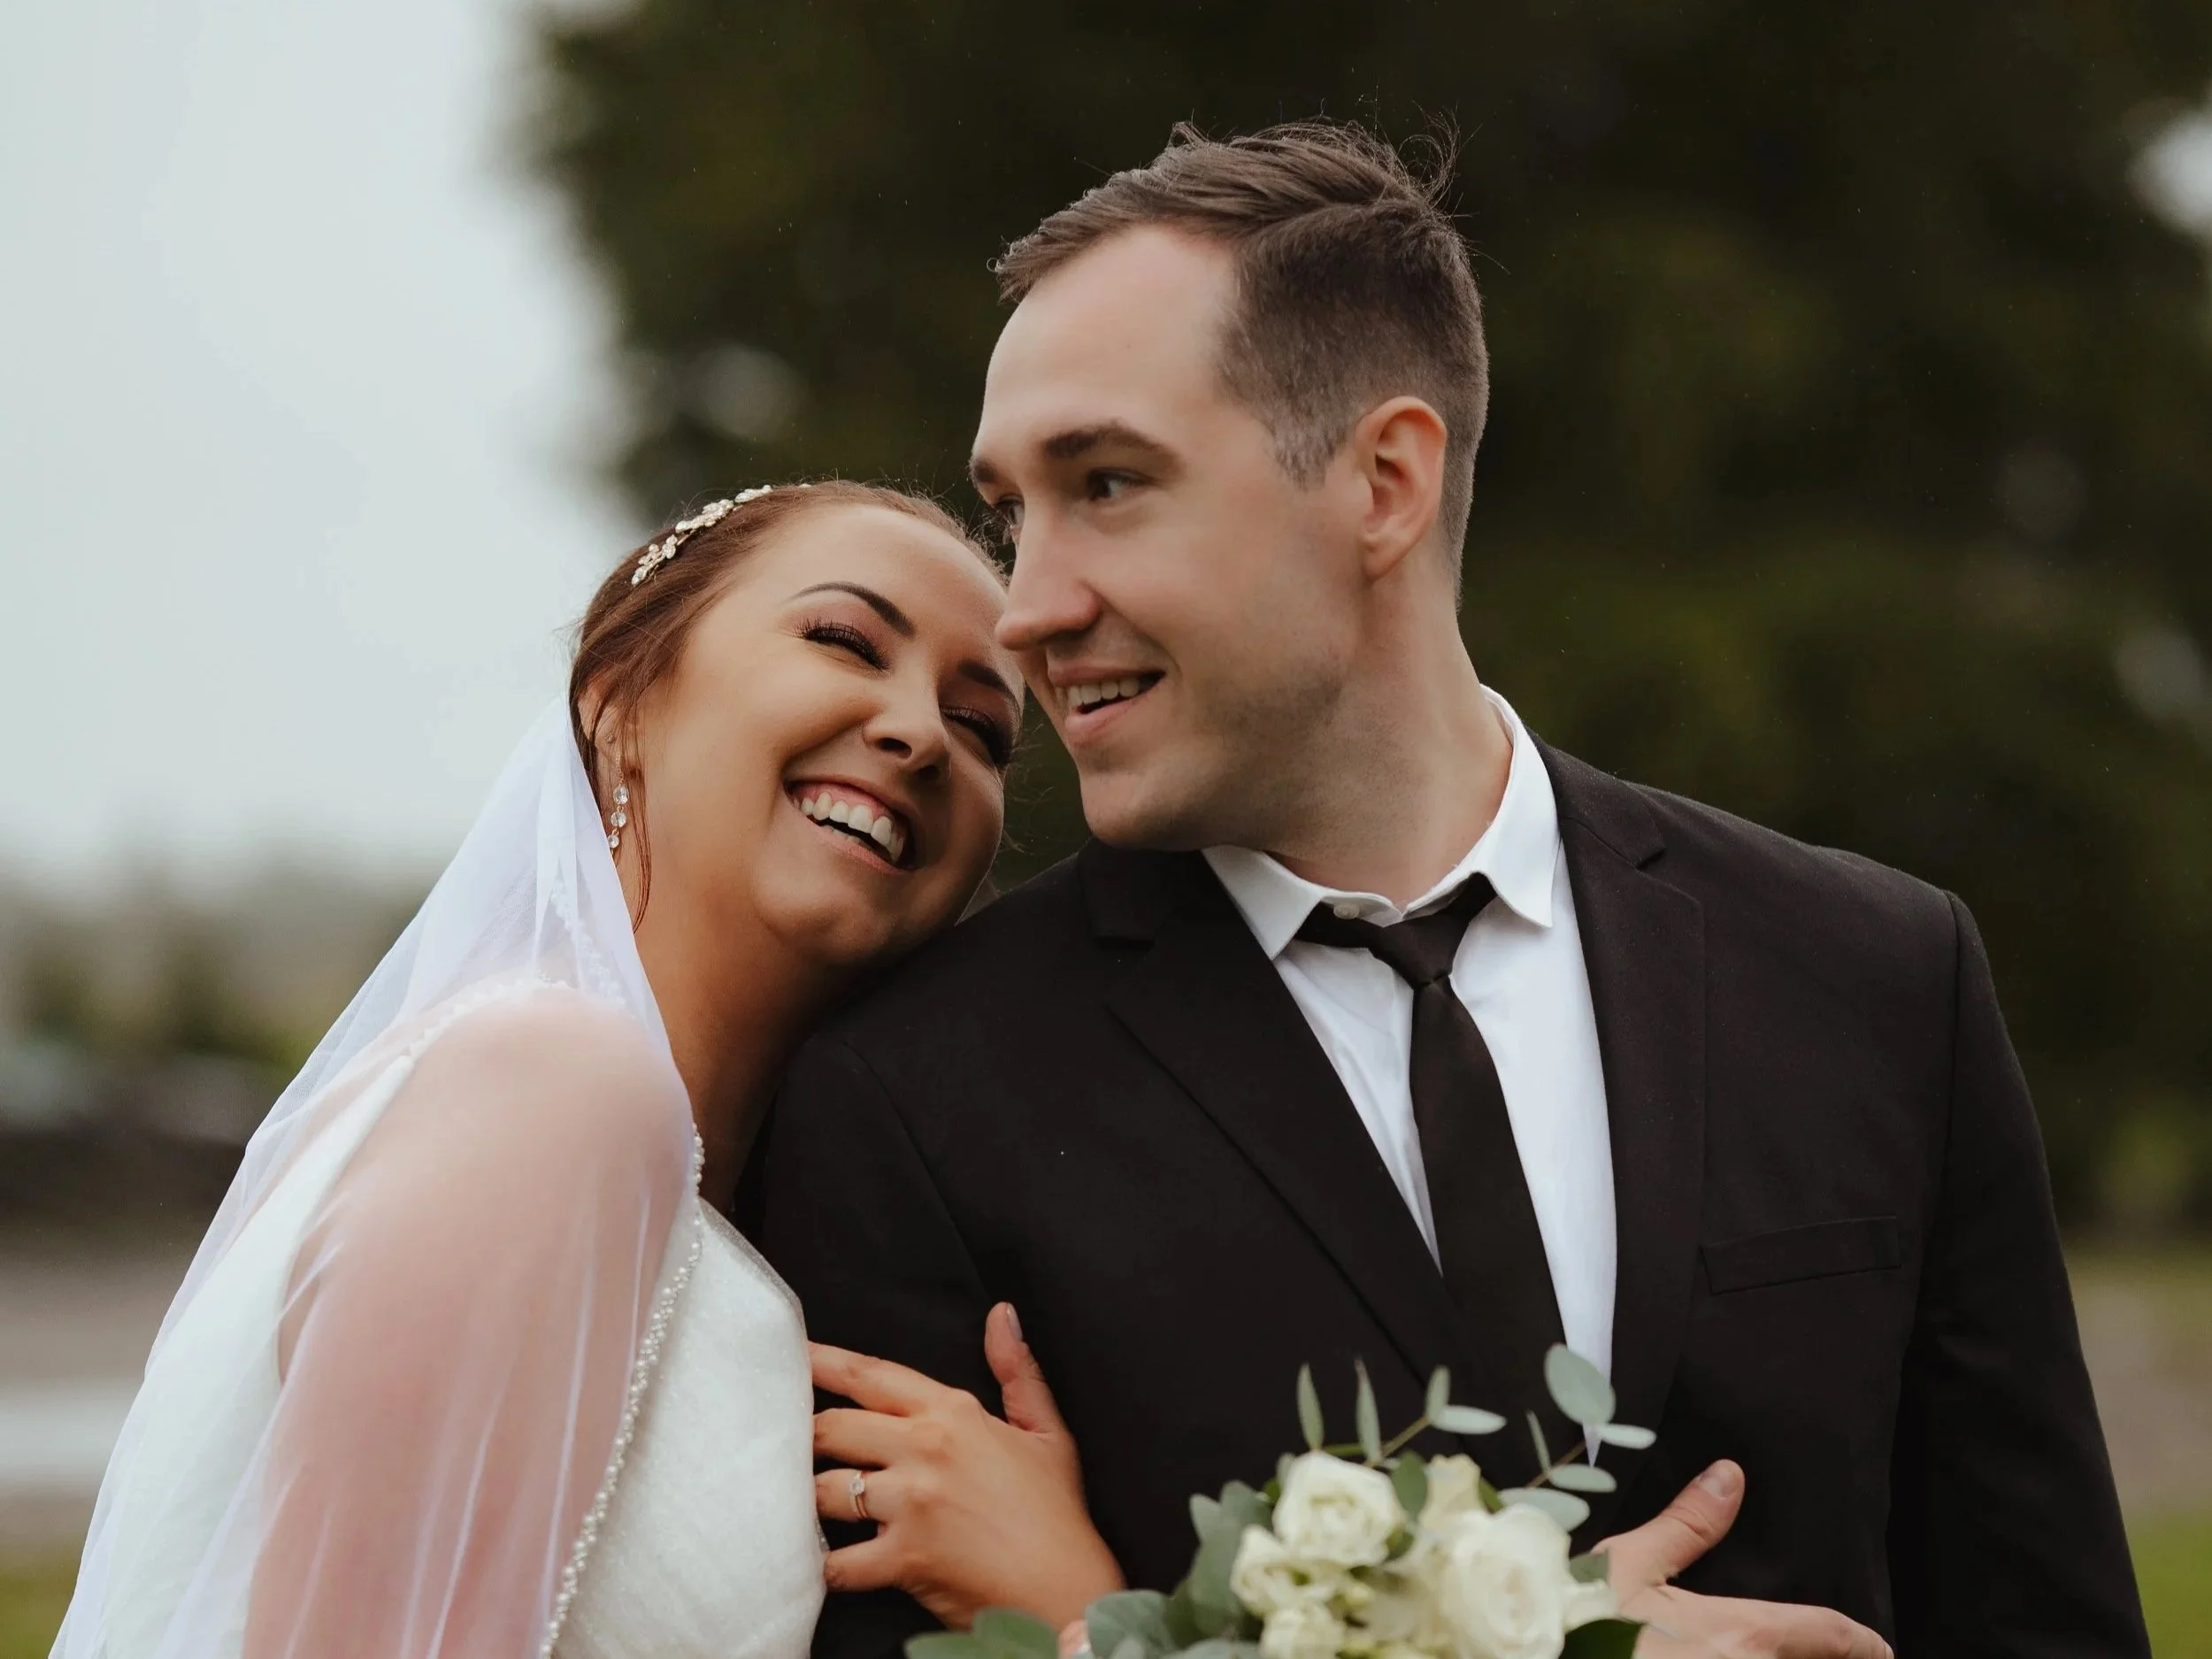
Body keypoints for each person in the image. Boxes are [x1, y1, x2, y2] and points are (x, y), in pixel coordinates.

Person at [750, 123, 2149, 1659]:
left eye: (1107, 483)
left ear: (1386, 481)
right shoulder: (910, 1101)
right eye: (1016, 509)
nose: (1027, 607)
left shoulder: (1879, 974)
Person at [50, 480, 1106, 1659]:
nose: (919, 732)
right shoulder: (552, 1092)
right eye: (846, 641)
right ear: (619, 700)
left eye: (982, 729)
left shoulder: (708, 1192)